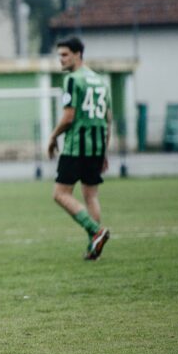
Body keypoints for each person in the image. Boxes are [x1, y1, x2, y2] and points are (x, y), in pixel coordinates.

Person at [47, 37, 112, 260]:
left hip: (76, 147)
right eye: (59, 55)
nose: (61, 59)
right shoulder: (101, 81)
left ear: (78, 54)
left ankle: (95, 231)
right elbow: (108, 119)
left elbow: (68, 117)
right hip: (96, 147)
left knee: (60, 194)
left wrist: (52, 137)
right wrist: (104, 151)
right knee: (91, 196)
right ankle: (94, 247)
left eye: (65, 55)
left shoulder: (73, 80)